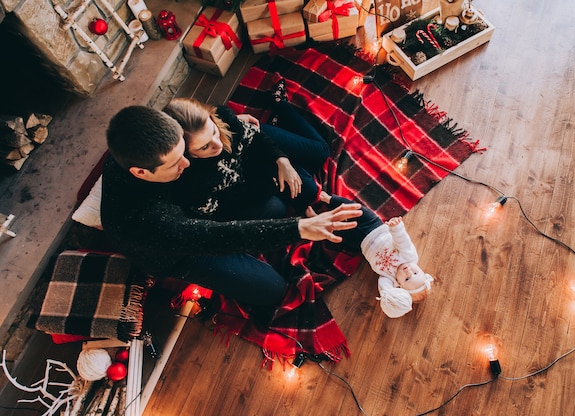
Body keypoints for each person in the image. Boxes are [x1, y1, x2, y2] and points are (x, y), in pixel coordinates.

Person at [100, 105, 362, 309]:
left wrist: (225, 123)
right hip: (182, 250)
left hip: (201, 212)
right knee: (272, 291)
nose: (187, 164)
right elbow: (212, 236)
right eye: (175, 163)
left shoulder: (141, 146)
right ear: (141, 172)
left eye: (185, 152)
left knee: (274, 208)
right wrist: (300, 228)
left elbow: (196, 121)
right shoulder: (147, 220)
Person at [162, 81, 330, 221]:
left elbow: (256, 138)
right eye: (204, 146)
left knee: (320, 152)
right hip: (246, 184)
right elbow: (223, 208)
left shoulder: (222, 118)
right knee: (279, 206)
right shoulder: (190, 181)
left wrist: (282, 159)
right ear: (186, 153)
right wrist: (267, 185)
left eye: (214, 131)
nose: (218, 144)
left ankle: (279, 104)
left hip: (252, 155)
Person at [318, 191, 434, 318]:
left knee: (337, 237)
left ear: (399, 286)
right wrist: (397, 228)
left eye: (407, 279)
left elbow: (384, 289)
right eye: (416, 272)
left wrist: (390, 295)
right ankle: (330, 200)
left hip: (361, 243)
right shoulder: (410, 257)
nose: (409, 271)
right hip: (374, 227)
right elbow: (402, 241)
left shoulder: (389, 279)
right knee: (357, 209)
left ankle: (319, 222)